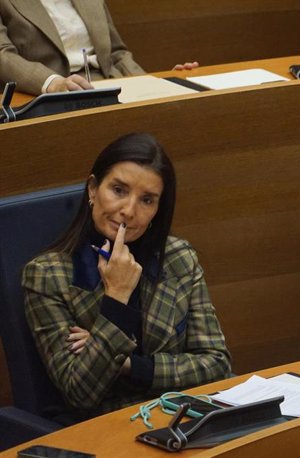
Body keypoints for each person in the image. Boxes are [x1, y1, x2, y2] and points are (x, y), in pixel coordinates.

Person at [22, 133, 232, 421]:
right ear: (93, 189)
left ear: (158, 210)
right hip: (106, 428)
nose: (129, 211)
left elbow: (217, 364)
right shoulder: (47, 275)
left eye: (147, 200)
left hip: (185, 415)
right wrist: (117, 297)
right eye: (119, 190)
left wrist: (130, 365)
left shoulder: (179, 258)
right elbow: (80, 392)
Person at [0, 0, 198, 95]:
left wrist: (154, 85)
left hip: (108, 85)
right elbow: (3, 54)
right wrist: (52, 83)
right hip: (46, 94)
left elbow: (117, 53)